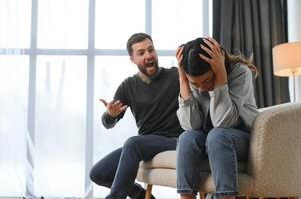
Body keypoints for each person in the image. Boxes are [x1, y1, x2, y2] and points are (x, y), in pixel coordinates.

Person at [90, 32, 183, 199]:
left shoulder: (175, 76)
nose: (148, 55)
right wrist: (110, 115)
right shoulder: (128, 86)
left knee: (133, 143)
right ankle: (140, 195)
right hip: (145, 145)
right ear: (132, 59)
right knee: (97, 173)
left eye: (151, 50)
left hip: (174, 140)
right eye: (141, 53)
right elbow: (107, 123)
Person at [175, 37, 258, 199]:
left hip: (241, 139)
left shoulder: (241, 73)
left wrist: (220, 76)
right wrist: (183, 80)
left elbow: (223, 122)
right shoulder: (193, 81)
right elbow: (191, 125)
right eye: (196, 84)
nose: (202, 87)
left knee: (217, 135)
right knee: (186, 138)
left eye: (206, 80)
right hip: (210, 139)